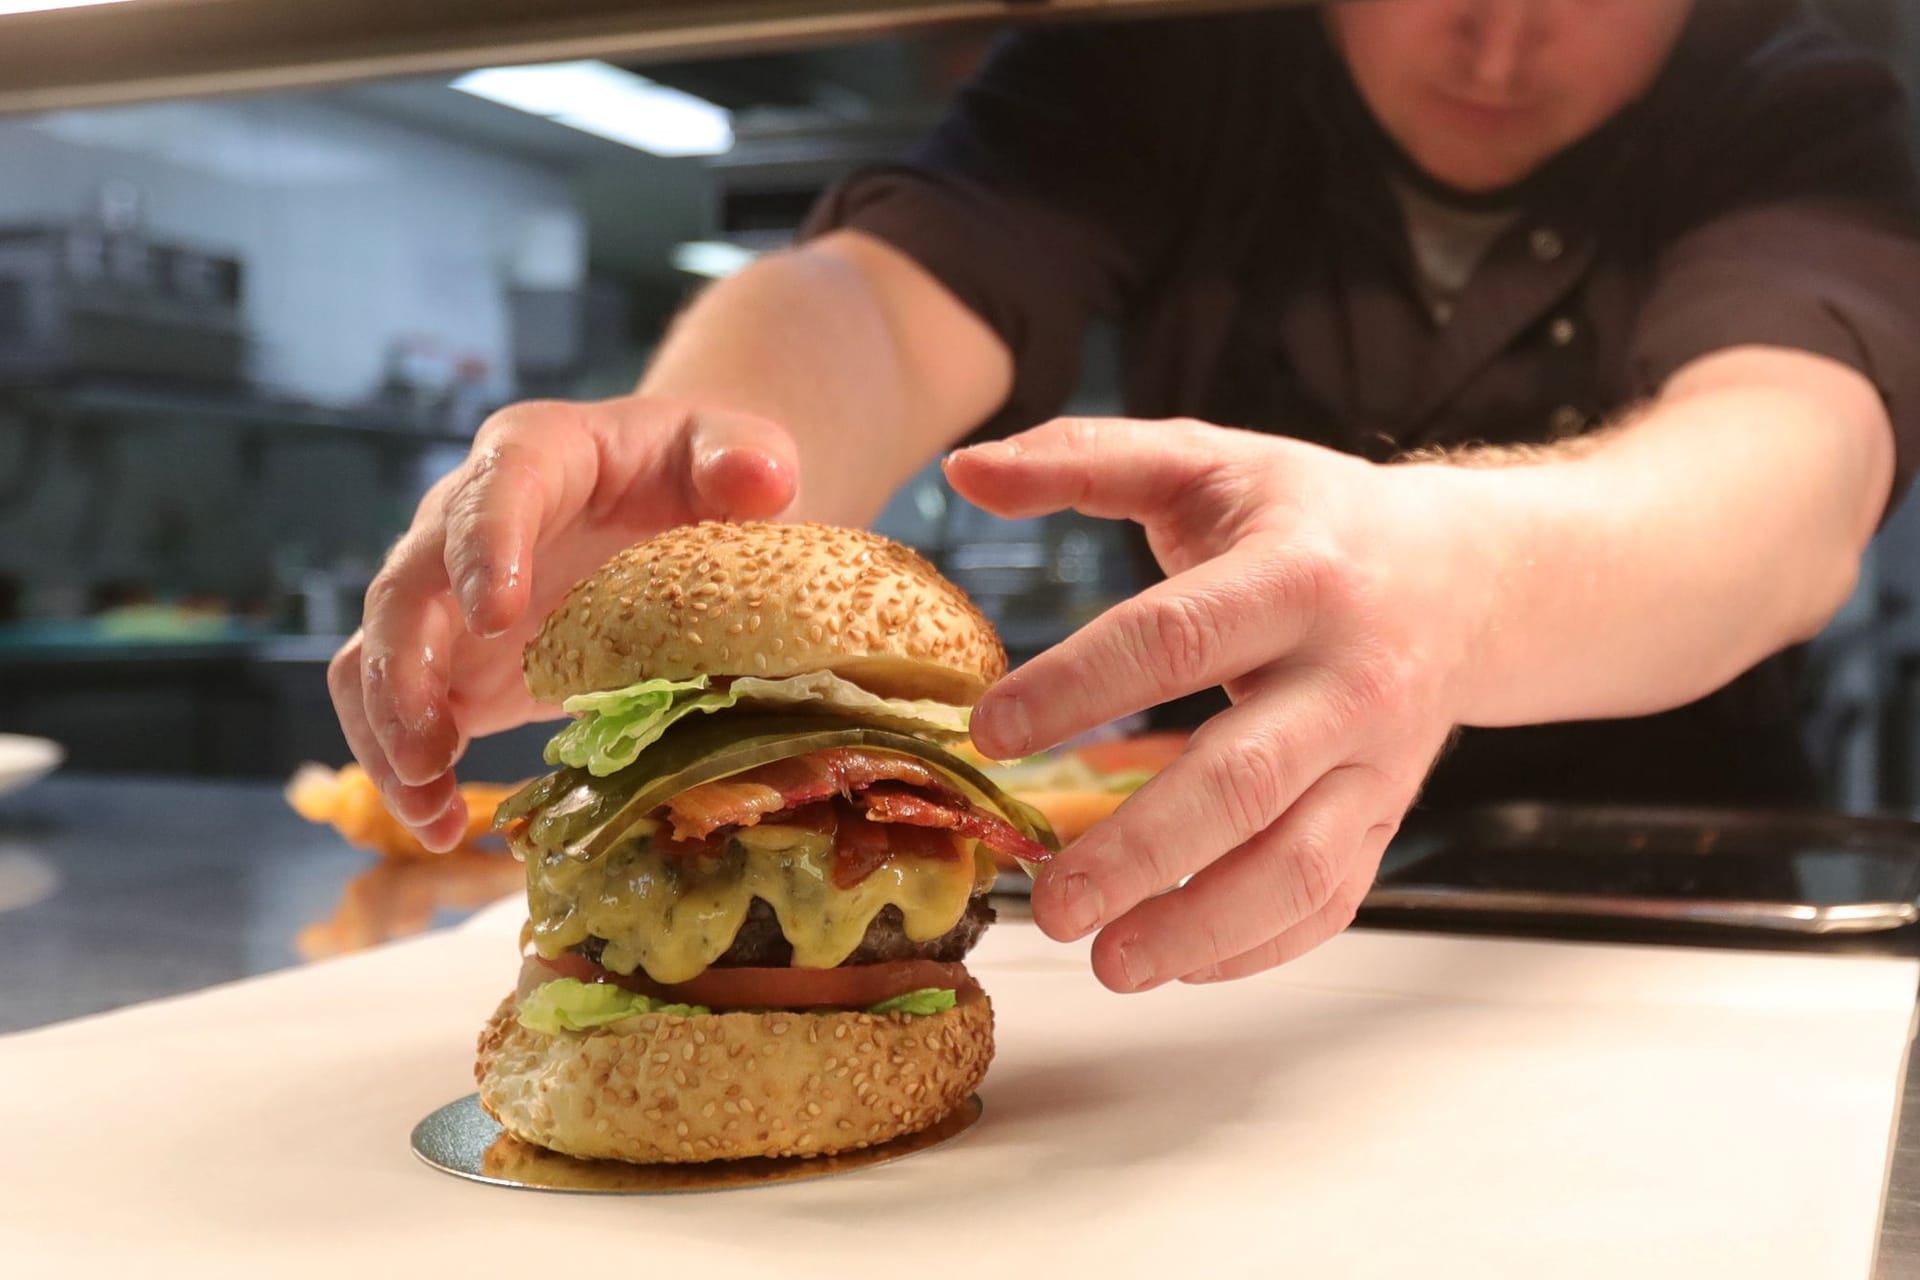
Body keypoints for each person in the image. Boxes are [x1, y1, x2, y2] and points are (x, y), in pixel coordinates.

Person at [330, 0, 1920, 995]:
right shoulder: (1169, 45)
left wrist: (1460, 580)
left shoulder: (1797, 107)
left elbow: (1789, 473)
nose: (1497, 37)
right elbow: (889, 296)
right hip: (1170, 908)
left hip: (1659, 921)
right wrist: (706, 454)